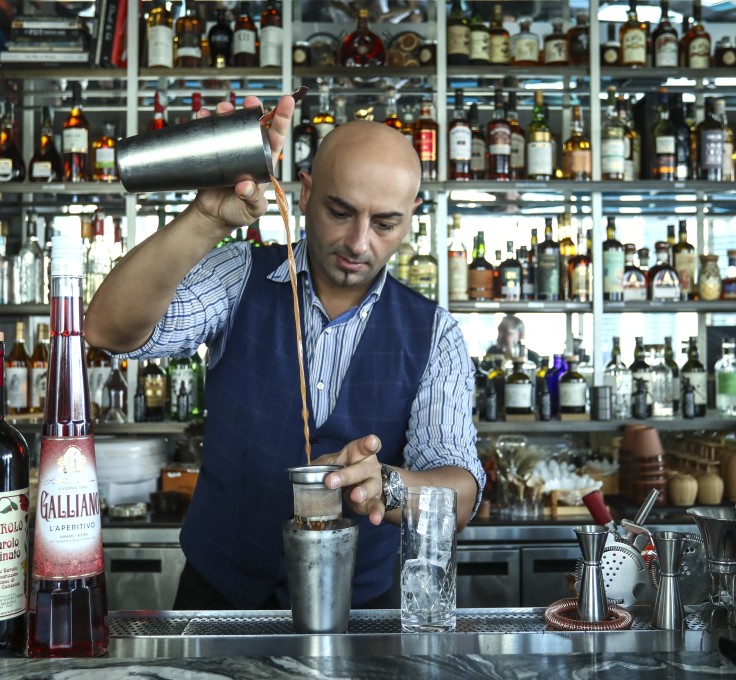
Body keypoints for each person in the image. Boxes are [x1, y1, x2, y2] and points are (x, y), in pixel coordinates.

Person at [84, 93, 484, 610]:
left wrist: (387, 485)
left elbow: (460, 492)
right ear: (306, 191)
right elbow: (107, 329)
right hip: (218, 599)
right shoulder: (238, 275)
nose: (359, 242)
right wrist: (206, 218)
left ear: (411, 217)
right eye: (340, 212)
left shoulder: (435, 334)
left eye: (384, 224)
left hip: (360, 614)